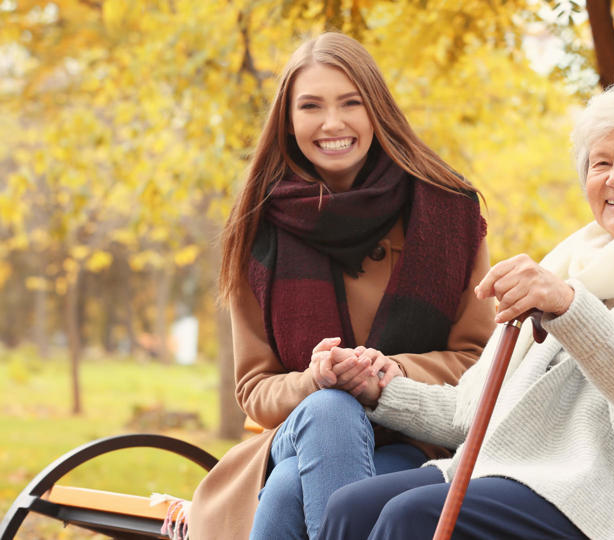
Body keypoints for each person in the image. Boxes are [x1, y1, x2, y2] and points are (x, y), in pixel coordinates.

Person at [317, 67, 614, 539]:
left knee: (412, 517)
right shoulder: (587, 262)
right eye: (600, 164)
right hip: (545, 475)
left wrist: (567, 307)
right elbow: (479, 411)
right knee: (353, 507)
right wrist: (380, 388)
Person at [187, 32, 495, 540]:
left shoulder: (447, 211)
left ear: (377, 110)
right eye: (311, 106)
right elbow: (255, 389)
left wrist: (390, 371)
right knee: (330, 408)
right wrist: (312, 381)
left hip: (415, 443)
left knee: (289, 489)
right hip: (299, 430)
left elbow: (479, 360)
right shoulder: (259, 225)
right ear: (288, 121)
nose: (332, 123)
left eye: (351, 103)